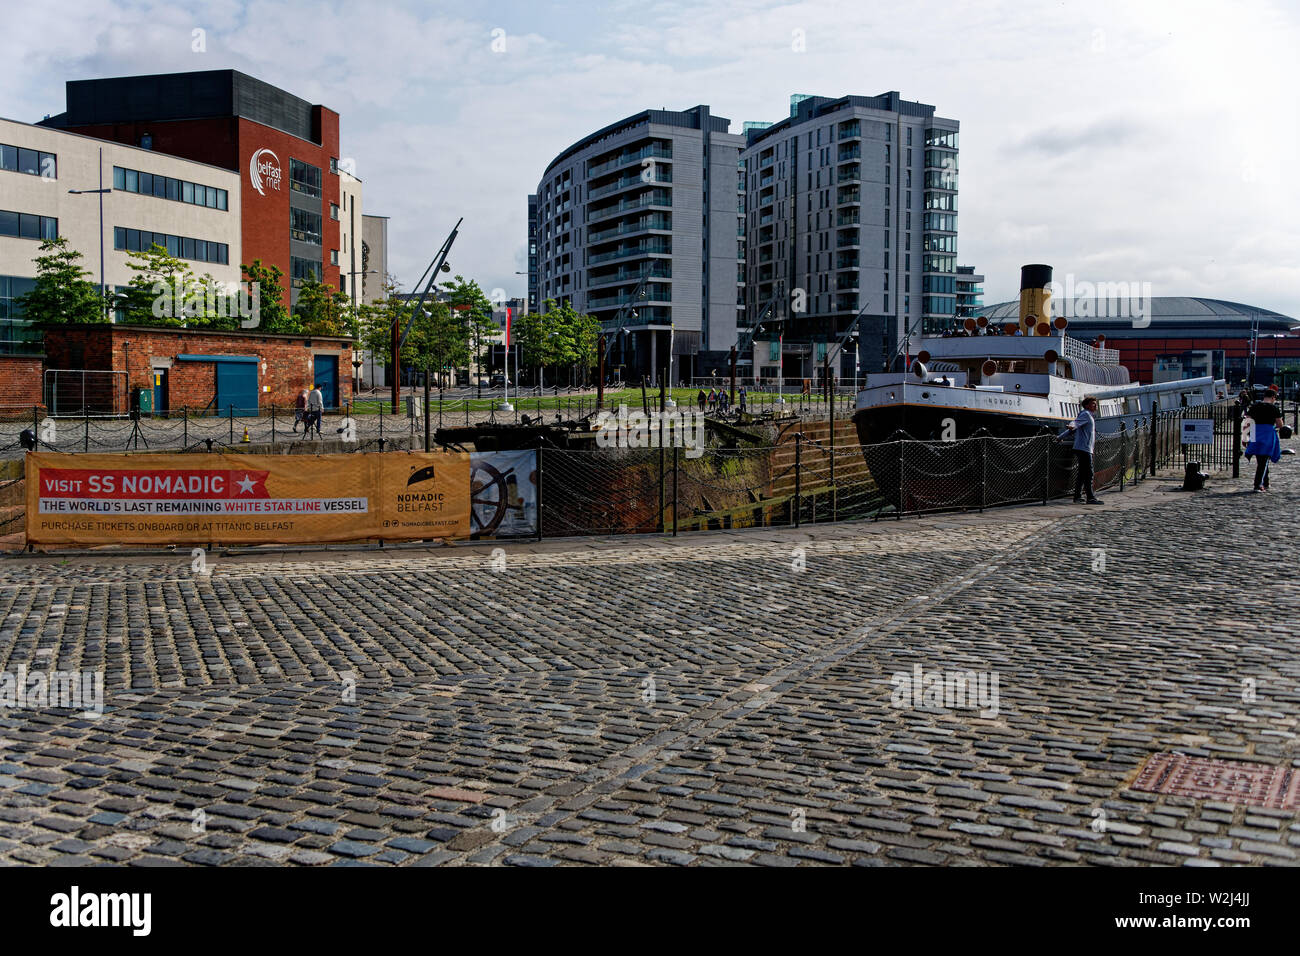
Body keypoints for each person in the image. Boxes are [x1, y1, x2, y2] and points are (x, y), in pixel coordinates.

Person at [1245, 386, 1283, 492]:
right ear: (1273, 397)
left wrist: (1245, 437)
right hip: (1267, 434)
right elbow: (1280, 424)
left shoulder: (1254, 406)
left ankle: (1266, 482)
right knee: (1264, 459)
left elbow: (1247, 422)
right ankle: (1258, 484)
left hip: (1255, 433)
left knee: (1260, 459)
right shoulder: (1274, 408)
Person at [1066, 396, 1102, 504]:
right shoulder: (1086, 414)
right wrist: (1071, 425)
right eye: (1093, 404)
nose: (1095, 406)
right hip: (1084, 448)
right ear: (1087, 405)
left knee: (1082, 473)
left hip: (1084, 448)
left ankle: (1077, 497)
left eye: (1095, 404)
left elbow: (1074, 427)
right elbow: (1075, 423)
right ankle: (1090, 497)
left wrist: (1060, 437)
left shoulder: (1089, 415)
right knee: (1089, 473)